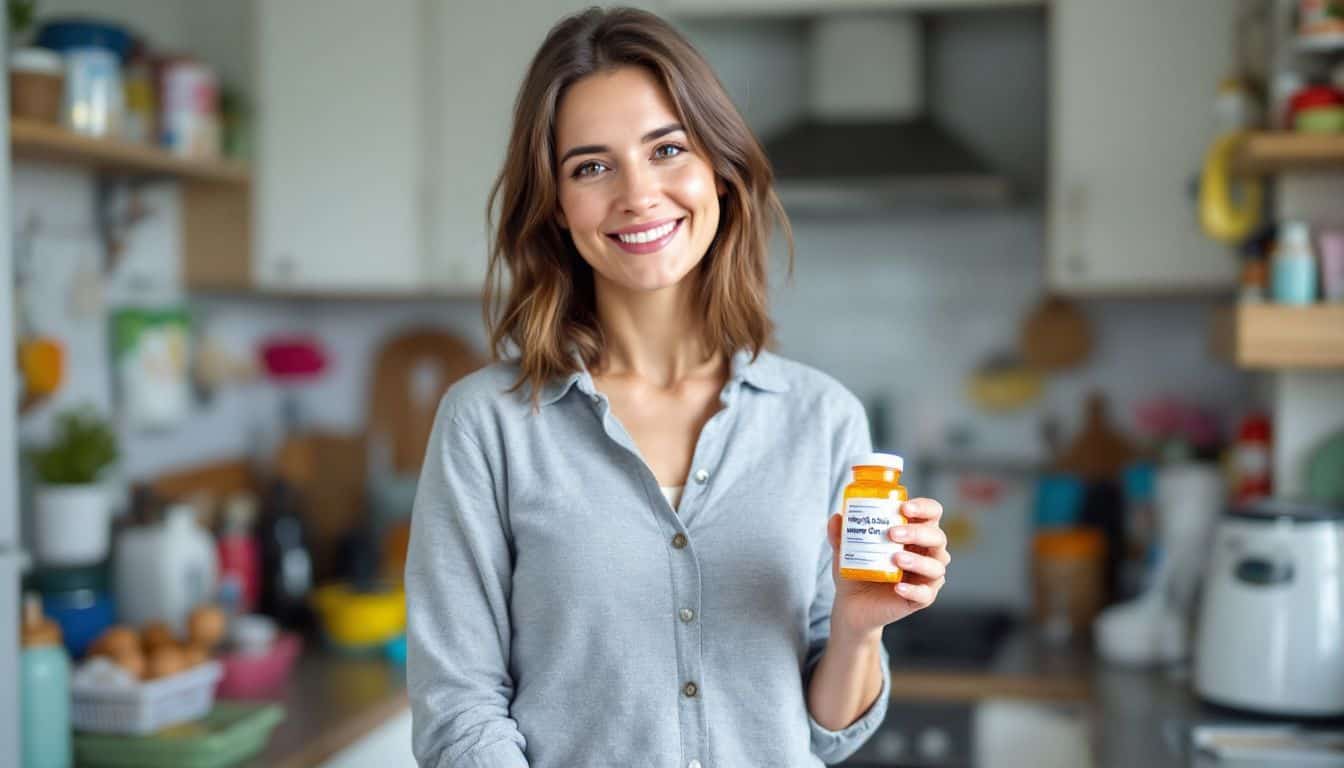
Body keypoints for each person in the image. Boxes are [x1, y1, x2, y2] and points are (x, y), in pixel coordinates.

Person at [405, 7, 950, 767]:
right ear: (557, 208)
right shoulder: (487, 425)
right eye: (591, 166)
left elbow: (828, 733)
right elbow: (457, 709)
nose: (638, 194)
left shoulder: (823, 420)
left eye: (668, 149)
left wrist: (861, 627)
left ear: (719, 172)